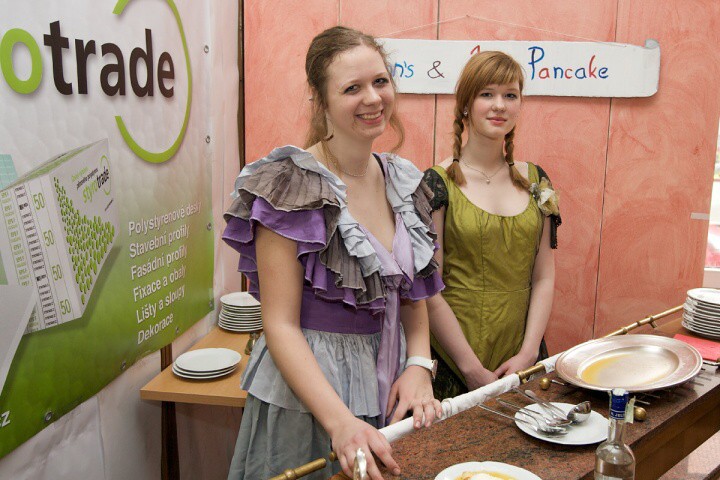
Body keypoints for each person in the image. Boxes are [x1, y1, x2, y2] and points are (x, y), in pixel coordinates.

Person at [222, 26, 444, 480]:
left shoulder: (402, 180)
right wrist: (340, 423)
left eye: (380, 81)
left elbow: (411, 292)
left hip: (389, 381)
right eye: (352, 88)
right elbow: (280, 325)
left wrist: (419, 364)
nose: (373, 98)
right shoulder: (291, 185)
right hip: (313, 395)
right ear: (320, 100)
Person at [423, 51, 561, 399]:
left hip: (522, 358)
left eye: (510, 95)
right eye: (487, 94)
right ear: (466, 104)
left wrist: (528, 354)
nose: (499, 105)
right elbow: (428, 287)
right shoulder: (437, 183)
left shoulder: (537, 180)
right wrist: (469, 368)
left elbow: (544, 276)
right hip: (453, 360)